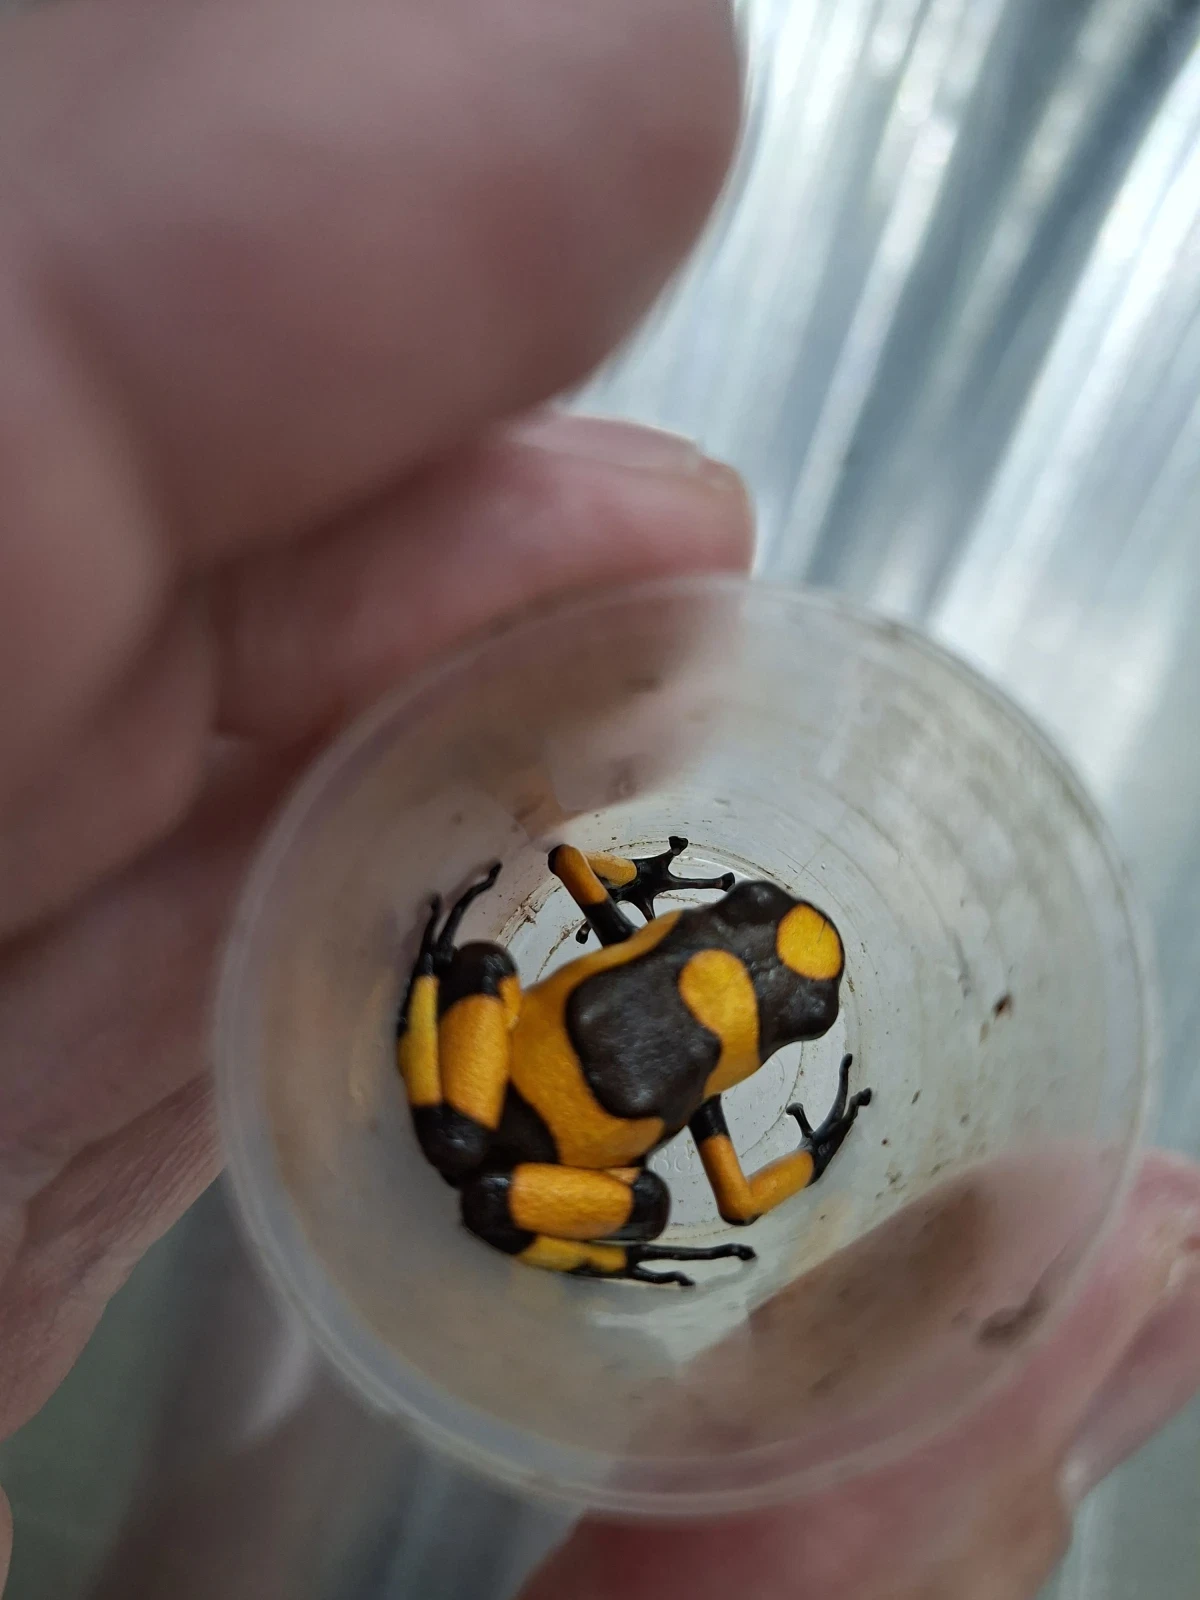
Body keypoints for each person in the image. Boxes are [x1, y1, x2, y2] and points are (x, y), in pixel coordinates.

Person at [0, 1, 1195, 1594]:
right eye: (758, 936)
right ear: (735, 983)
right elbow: (736, 1181)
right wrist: (806, 1132)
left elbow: (642, 1029)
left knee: (483, 1063)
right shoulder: (695, 1034)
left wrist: (547, 920)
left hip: (517, 1119)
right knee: (493, 1100)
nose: (756, 944)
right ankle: (471, 1059)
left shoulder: (657, 950)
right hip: (514, 1119)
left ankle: (464, 1038)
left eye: (763, 959)